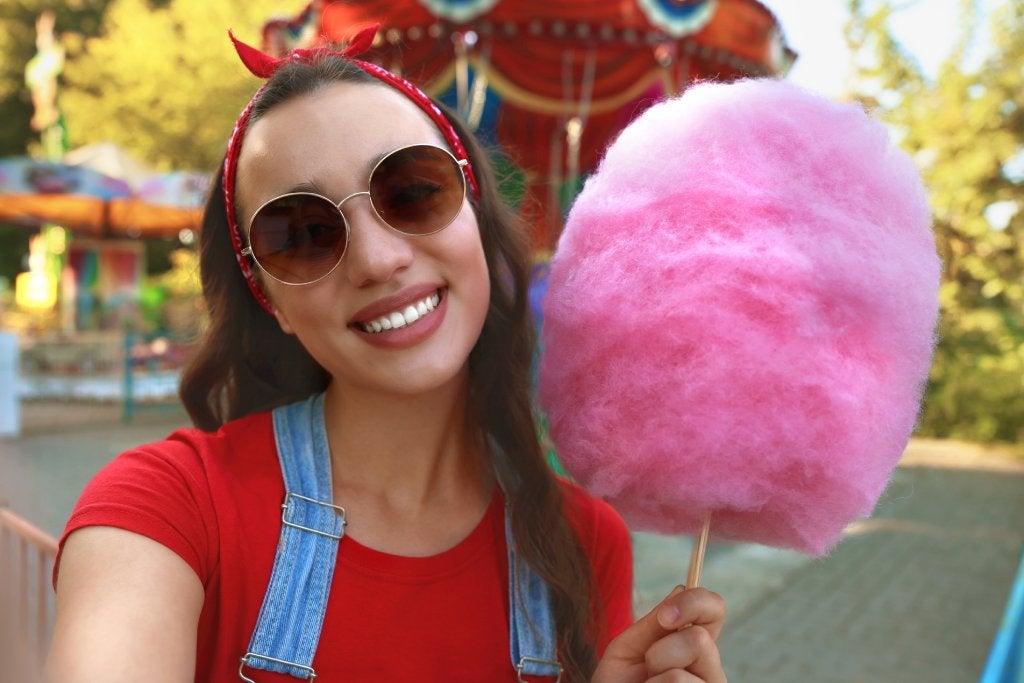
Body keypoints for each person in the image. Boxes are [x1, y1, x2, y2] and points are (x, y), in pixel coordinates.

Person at [45, 26, 727, 683]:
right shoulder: (166, 507)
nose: (377, 258)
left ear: (477, 214)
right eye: (304, 233)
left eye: (413, 191)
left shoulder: (584, 540)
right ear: (270, 298)